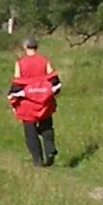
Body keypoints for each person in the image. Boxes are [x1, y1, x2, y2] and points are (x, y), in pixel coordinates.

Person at [9, 37, 61, 167]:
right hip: (44, 101)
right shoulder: (44, 60)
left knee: (30, 132)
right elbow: (54, 80)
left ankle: (37, 159)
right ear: (36, 47)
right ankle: (50, 149)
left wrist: (13, 100)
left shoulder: (20, 63)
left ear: (25, 47)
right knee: (47, 126)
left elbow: (17, 83)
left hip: (28, 103)